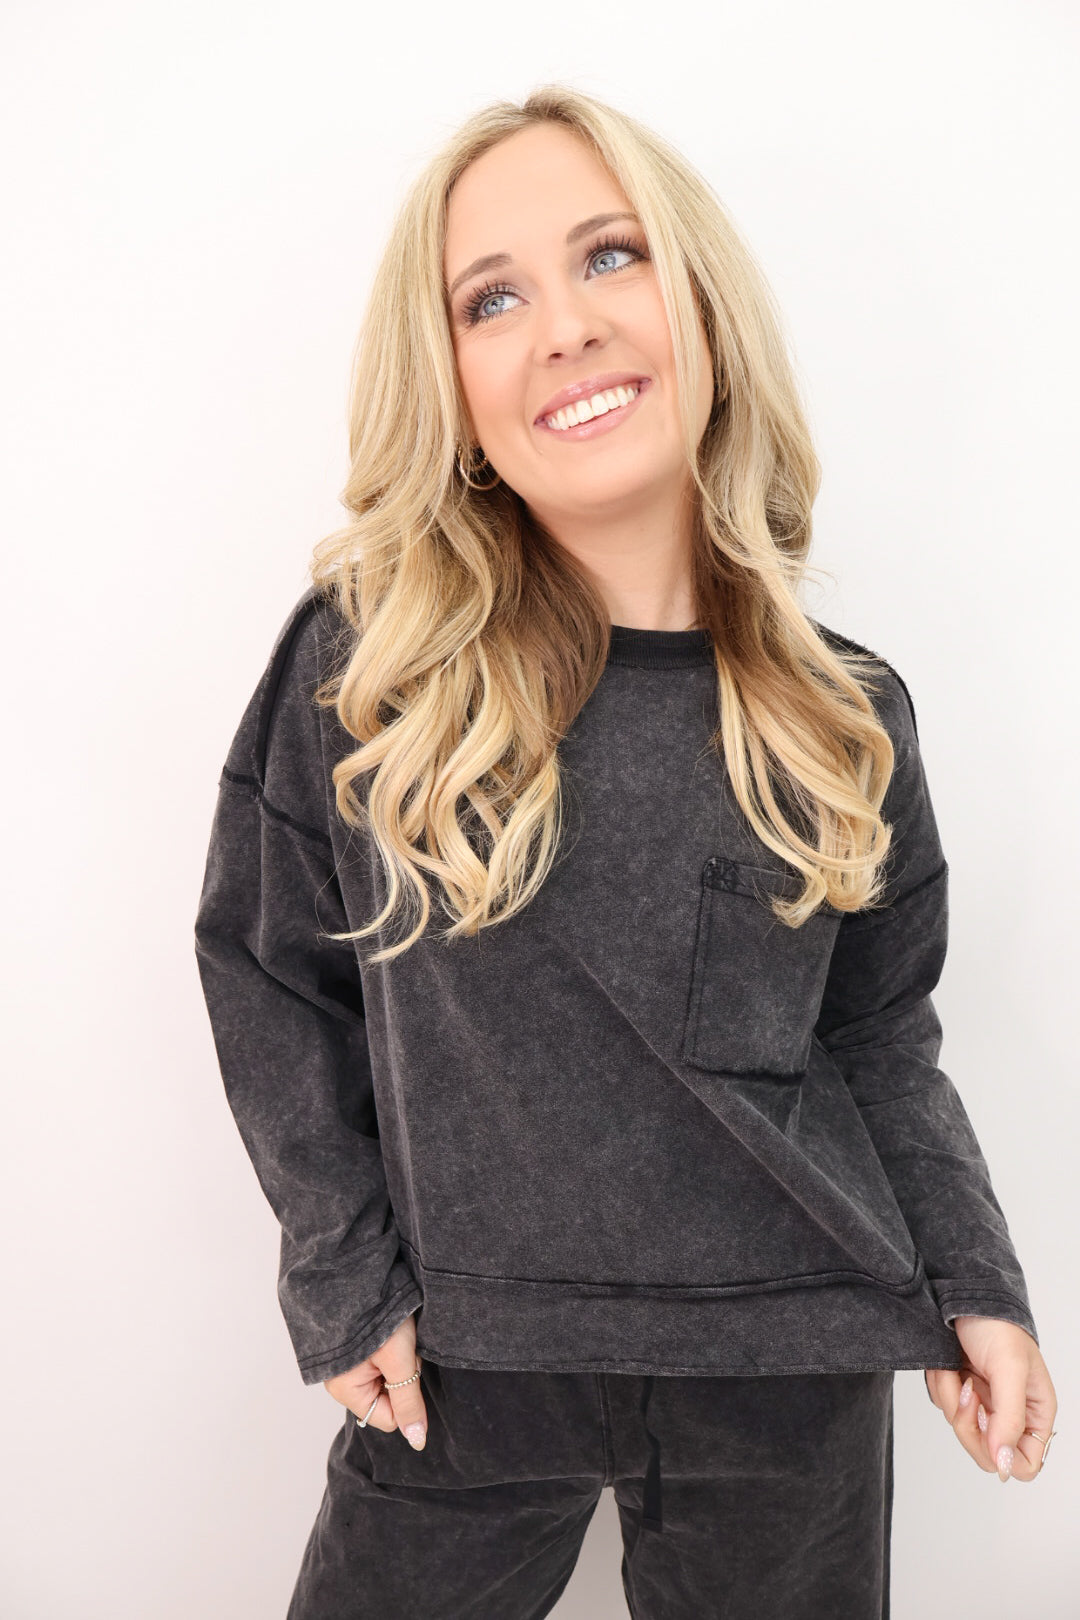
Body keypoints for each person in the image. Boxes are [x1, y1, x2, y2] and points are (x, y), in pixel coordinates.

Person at [193, 85, 1058, 1619]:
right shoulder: (371, 676)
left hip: (793, 1363)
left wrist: (975, 1283)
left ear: (701, 303)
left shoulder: (842, 715)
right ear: (449, 384)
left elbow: (877, 1034)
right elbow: (273, 977)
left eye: (611, 256)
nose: (568, 325)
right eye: (493, 298)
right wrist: (342, 1277)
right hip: (468, 1365)